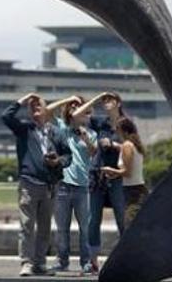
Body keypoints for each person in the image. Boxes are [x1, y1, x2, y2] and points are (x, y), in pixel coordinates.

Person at [2, 93, 72, 277]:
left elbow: (68, 156)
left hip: (49, 185)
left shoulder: (55, 132)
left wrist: (57, 161)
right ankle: (26, 262)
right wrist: (22, 100)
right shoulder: (25, 129)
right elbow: (6, 117)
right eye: (31, 106)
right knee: (26, 225)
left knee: (44, 227)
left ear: (47, 108)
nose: (34, 108)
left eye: (38, 105)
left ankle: (40, 263)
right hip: (29, 183)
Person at [72, 91, 127, 274]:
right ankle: (93, 262)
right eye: (104, 101)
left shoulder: (126, 124)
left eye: (109, 100)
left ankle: (126, 259)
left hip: (117, 176)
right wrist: (96, 98)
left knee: (122, 218)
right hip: (97, 175)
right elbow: (76, 115)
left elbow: (134, 147)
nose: (106, 103)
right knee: (93, 220)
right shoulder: (100, 123)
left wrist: (113, 145)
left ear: (118, 103)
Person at [48, 95, 97, 275]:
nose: (75, 109)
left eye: (79, 106)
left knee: (85, 228)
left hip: (82, 186)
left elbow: (93, 153)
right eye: (72, 107)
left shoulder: (91, 133)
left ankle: (86, 262)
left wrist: (86, 138)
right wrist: (67, 99)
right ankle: (62, 260)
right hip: (62, 184)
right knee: (62, 228)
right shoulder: (63, 128)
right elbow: (48, 110)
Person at [100, 117, 146, 228]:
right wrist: (115, 174)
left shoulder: (127, 146)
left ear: (124, 131)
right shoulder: (134, 145)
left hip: (133, 191)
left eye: (117, 129)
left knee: (130, 226)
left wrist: (111, 170)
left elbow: (128, 172)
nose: (116, 131)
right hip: (137, 189)